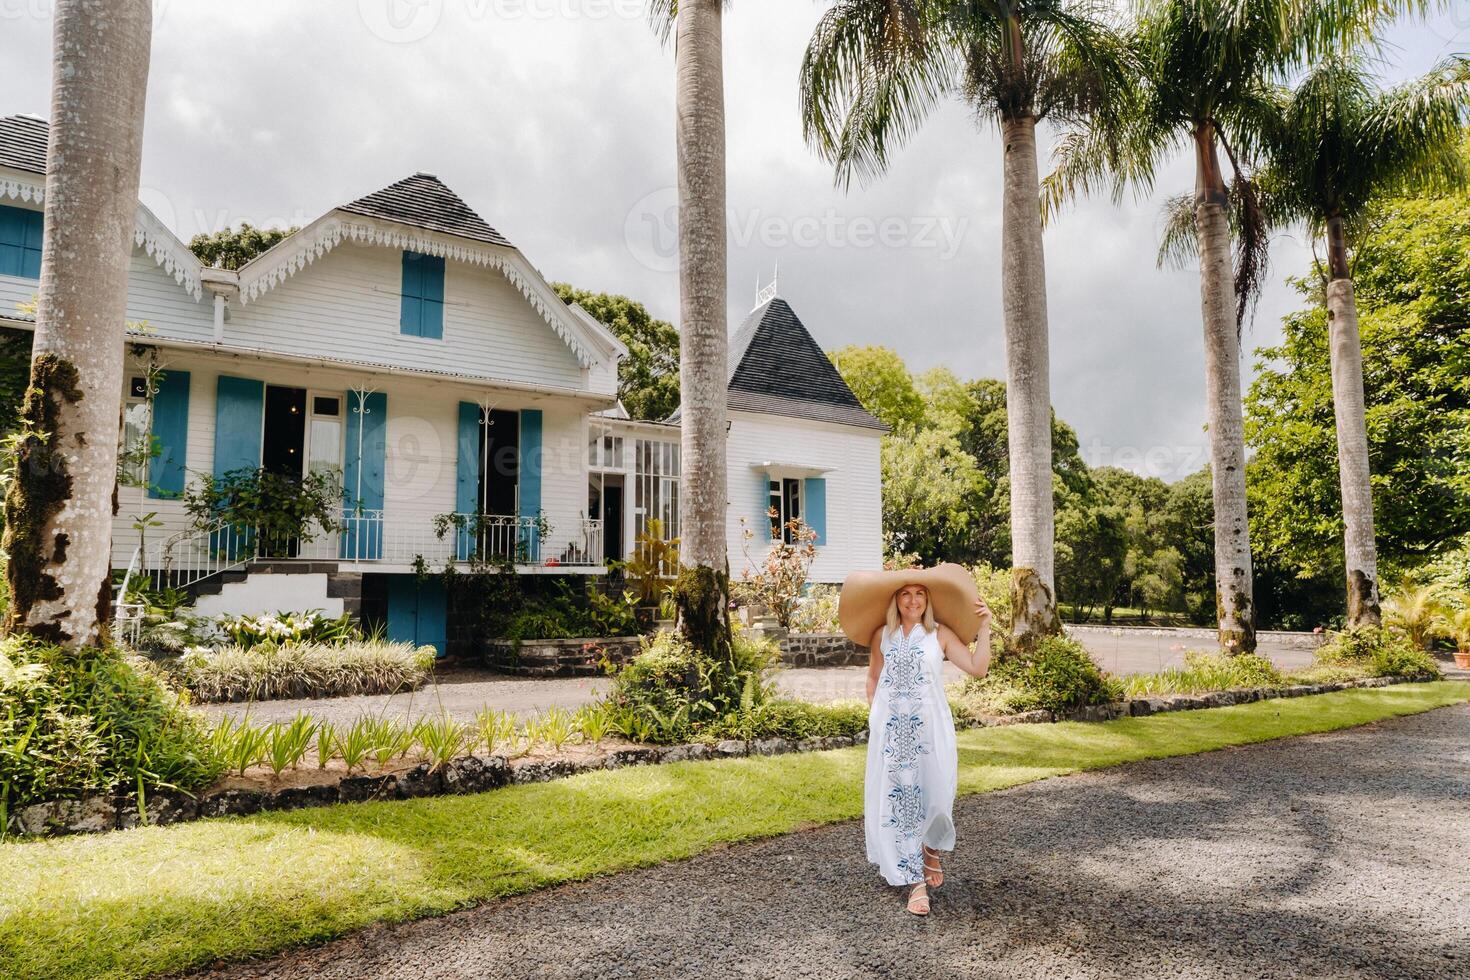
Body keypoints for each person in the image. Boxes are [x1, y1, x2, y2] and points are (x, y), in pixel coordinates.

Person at [838, 563, 993, 916]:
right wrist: (878, 720)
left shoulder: (940, 634)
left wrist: (984, 629)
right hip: (893, 734)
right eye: (906, 593)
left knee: (937, 796)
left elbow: (977, 668)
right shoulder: (882, 634)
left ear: (927, 599)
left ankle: (930, 848)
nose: (913, 600)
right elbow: (873, 679)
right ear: (896, 599)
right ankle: (914, 883)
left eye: (919, 594)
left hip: (930, 728)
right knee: (901, 802)